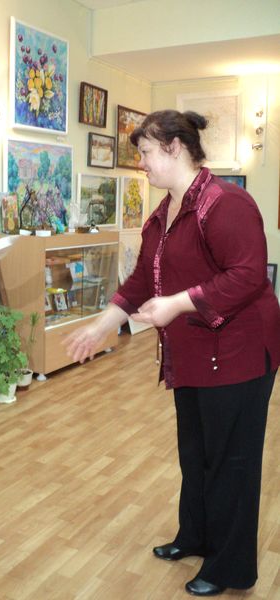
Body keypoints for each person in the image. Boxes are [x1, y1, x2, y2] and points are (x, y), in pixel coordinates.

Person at [64, 110, 280, 597]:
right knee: (196, 454)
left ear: (174, 147)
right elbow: (142, 279)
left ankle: (229, 568)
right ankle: (196, 536)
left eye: (144, 152)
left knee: (231, 463)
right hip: (195, 353)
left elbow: (247, 276)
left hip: (240, 354)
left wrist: (178, 303)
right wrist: (101, 325)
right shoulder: (164, 212)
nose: (140, 162)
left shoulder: (227, 203)